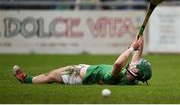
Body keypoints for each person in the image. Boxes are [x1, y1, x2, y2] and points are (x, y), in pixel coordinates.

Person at [13, 36, 152, 85]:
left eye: (136, 65)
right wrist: (139, 43)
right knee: (53, 78)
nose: (135, 62)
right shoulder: (131, 79)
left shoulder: (117, 76)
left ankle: (26, 80)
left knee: (50, 76)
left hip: (78, 75)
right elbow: (136, 59)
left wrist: (131, 48)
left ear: (135, 70)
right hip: (87, 70)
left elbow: (117, 64)